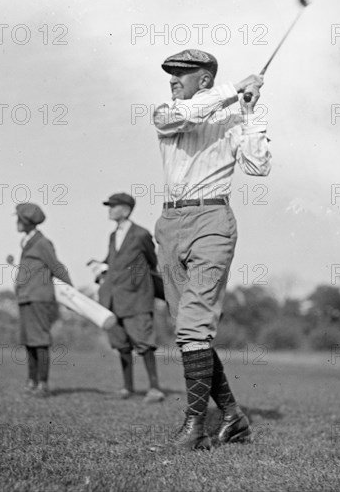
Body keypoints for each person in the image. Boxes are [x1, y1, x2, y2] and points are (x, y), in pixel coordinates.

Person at [152, 49, 272, 449]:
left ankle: (195, 426)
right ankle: (234, 417)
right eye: (171, 74)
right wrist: (234, 88)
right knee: (189, 335)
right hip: (170, 225)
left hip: (212, 223)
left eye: (181, 75)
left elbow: (258, 166)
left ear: (203, 79)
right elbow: (186, 115)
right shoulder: (168, 113)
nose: (172, 80)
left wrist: (252, 112)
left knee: (193, 328)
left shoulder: (236, 118)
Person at [96, 192, 165, 403]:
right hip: (114, 299)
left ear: (125, 210)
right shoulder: (112, 235)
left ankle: (154, 389)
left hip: (137, 299)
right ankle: (128, 387)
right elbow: (112, 261)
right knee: (121, 344)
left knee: (144, 343)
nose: (110, 209)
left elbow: (152, 264)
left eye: (113, 206)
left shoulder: (141, 234)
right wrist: (100, 268)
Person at [10, 202, 72, 397]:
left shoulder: (42, 243)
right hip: (26, 298)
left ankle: (42, 384)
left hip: (38, 298)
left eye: (19, 219)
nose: (17, 222)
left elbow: (57, 267)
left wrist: (71, 293)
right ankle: (32, 381)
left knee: (40, 341)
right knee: (29, 341)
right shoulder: (29, 241)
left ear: (27, 222)